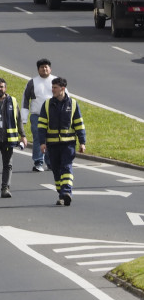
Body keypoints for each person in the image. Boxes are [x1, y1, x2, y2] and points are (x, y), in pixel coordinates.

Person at [38, 76, 86, 206]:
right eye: (52, 87)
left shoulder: (73, 104)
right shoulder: (47, 104)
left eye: (55, 87)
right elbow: (42, 125)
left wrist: (82, 142)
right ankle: (62, 195)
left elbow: (79, 124)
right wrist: (42, 142)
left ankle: (66, 192)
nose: (52, 90)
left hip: (68, 144)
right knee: (56, 170)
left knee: (66, 167)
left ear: (62, 89)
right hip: (52, 145)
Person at [20, 58, 55, 172]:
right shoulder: (32, 82)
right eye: (42, 67)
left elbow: (65, 97)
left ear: (50, 68)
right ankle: (38, 162)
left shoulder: (56, 81)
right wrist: (23, 118)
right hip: (37, 116)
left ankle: (50, 162)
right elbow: (25, 99)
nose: (44, 69)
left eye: (46, 67)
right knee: (38, 139)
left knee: (52, 139)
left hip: (53, 116)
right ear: (38, 69)